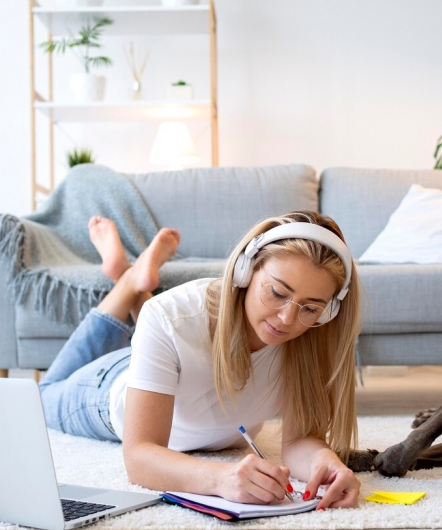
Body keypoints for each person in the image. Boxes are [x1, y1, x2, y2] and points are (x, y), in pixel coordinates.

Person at [40, 210, 362, 510]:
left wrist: (325, 460)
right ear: (245, 272)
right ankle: (125, 280)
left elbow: (300, 440)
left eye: (310, 308)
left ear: (328, 309)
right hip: (108, 391)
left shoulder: (314, 337)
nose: (287, 318)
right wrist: (220, 478)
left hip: (167, 359)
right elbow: (139, 458)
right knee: (43, 394)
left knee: (166, 327)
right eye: (277, 293)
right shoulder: (170, 316)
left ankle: (132, 280)